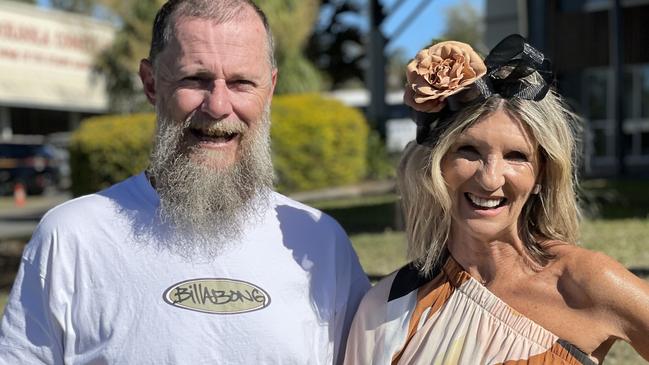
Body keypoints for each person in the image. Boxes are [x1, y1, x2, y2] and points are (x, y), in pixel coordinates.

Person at [0, 0, 370, 363]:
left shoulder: (321, 243)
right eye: (195, 79)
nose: (218, 106)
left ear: (269, 89)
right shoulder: (72, 237)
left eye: (242, 82)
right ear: (151, 83)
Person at [344, 35, 649, 364]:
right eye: (468, 150)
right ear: (438, 162)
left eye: (516, 156)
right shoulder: (386, 308)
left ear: (540, 176)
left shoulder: (587, 282)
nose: (490, 178)